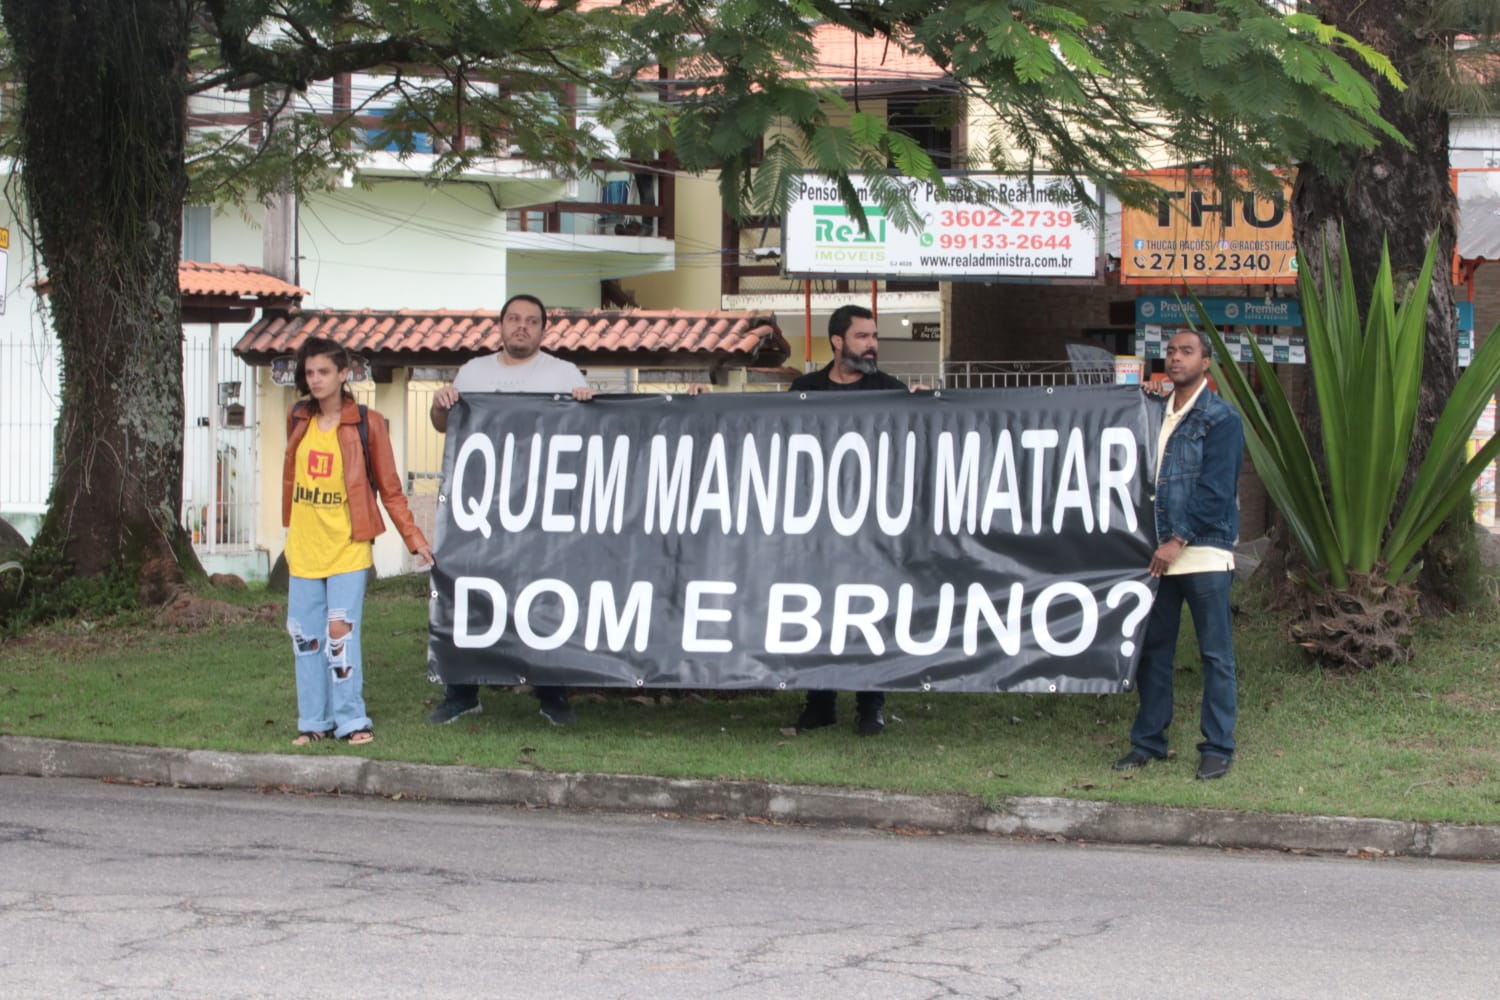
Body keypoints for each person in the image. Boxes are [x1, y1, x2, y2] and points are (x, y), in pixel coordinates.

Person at [427, 293, 594, 726]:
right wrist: (439, 402)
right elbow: (444, 425)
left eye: (532, 321)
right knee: (470, 594)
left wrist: (584, 401)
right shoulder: (473, 372)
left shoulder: (563, 372)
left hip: (542, 512)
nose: (522, 326)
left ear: (543, 330)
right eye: (514, 319)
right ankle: (461, 692)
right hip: (482, 511)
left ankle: (553, 694)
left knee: (547, 599)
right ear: (500, 326)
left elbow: (589, 429)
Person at [282, 336, 433, 747]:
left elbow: (390, 488)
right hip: (304, 550)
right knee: (305, 640)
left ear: (344, 375)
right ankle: (314, 722)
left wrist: (413, 537)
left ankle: (351, 721)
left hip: (348, 548)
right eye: (309, 372)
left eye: (324, 372)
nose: (315, 379)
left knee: (340, 636)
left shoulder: (369, 423)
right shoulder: (298, 417)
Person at [786, 304, 924, 737]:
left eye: (874, 337)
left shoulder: (889, 388)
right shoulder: (805, 389)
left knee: (869, 612)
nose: (873, 346)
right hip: (817, 526)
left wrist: (927, 408)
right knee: (818, 610)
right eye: (863, 337)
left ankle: (871, 705)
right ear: (837, 341)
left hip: (871, 527)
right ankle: (820, 700)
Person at [1112, 329, 1244, 780]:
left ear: (1206, 362)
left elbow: (1217, 492)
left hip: (1202, 553)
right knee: (1154, 651)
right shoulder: (1154, 411)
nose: (1176, 358)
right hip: (1158, 557)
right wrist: (1144, 394)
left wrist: (1177, 541)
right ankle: (1148, 742)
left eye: (1187, 352)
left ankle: (1218, 746)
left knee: (1215, 655)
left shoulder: (1221, 418)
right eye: (1170, 351)